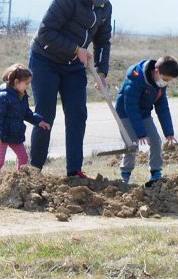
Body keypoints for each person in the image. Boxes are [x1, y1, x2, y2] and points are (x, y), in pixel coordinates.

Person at [28, 0, 113, 178]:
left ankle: (74, 171)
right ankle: (34, 170)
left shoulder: (105, 7)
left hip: (74, 67)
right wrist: (75, 49)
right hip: (45, 60)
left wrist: (102, 73)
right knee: (45, 115)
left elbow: (103, 41)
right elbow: (45, 32)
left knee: (77, 114)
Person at [115, 56, 178, 186]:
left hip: (143, 112)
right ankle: (125, 176)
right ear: (156, 71)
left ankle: (155, 173)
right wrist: (140, 133)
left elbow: (162, 108)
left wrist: (169, 132)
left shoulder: (160, 83)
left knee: (155, 140)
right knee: (132, 144)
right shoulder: (136, 78)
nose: (165, 83)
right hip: (125, 112)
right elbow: (130, 107)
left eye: (169, 81)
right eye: (165, 79)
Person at [0, 64, 51, 178]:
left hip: (15, 134)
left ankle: (19, 181)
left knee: (23, 159)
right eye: (26, 83)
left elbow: (26, 113)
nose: (27, 86)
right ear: (17, 82)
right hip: (2, 136)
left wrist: (38, 121)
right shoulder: (3, 96)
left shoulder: (22, 95)